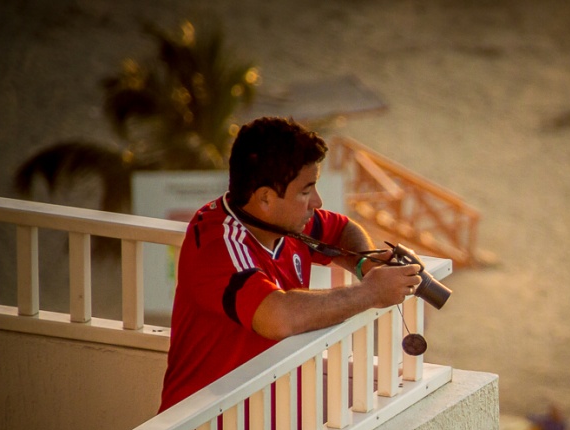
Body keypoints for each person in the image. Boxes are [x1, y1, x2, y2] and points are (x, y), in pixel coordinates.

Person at [159, 117, 422, 414]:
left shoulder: (285, 222)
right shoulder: (218, 245)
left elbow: (343, 229)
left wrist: (365, 264)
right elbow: (277, 316)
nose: (318, 202)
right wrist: (370, 293)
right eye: (306, 191)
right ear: (266, 198)